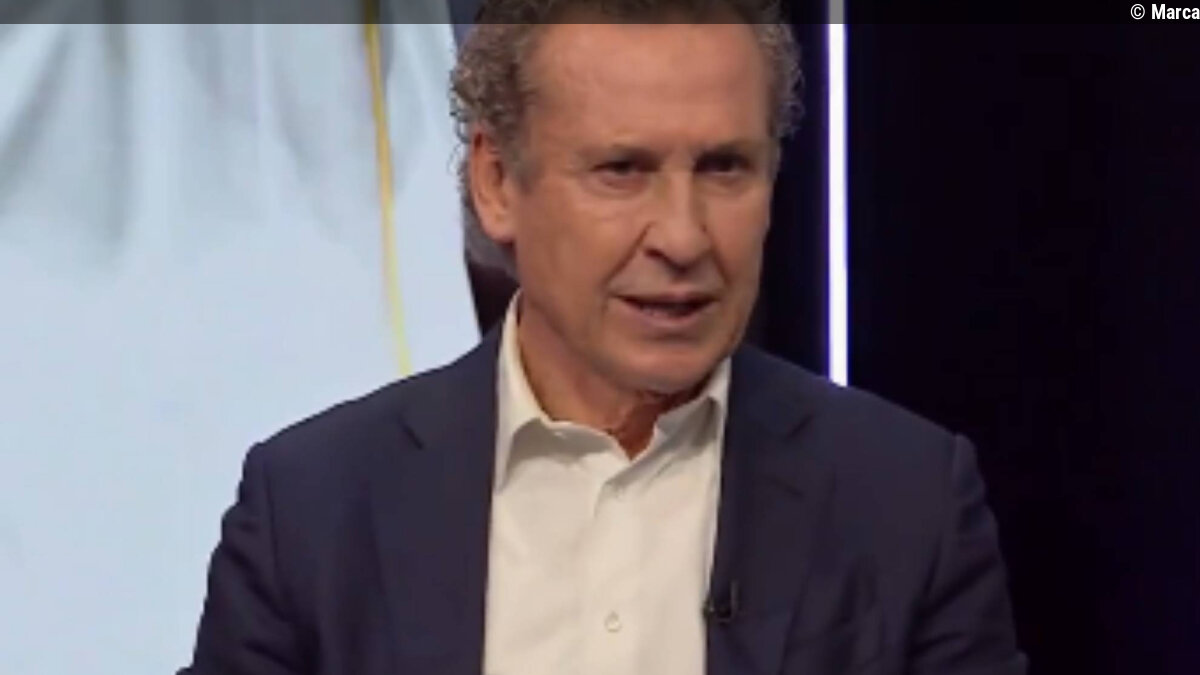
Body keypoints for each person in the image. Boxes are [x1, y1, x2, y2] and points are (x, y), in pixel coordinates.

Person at [180, 2, 1027, 674]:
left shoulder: (906, 502)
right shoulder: (313, 512)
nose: (684, 237)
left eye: (725, 168)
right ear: (496, 183)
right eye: (623, 170)